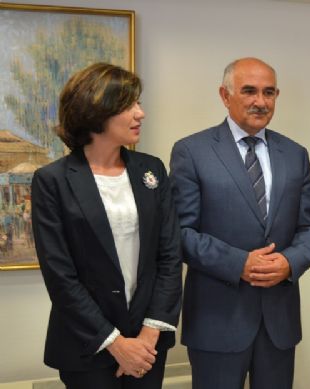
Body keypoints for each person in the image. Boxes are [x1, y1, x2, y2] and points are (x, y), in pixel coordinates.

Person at [169, 57, 310, 389]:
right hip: (217, 320)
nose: (260, 101)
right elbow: (180, 233)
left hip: (278, 324)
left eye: (269, 92)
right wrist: (239, 263)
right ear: (225, 96)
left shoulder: (295, 154)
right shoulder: (192, 151)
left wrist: (289, 261)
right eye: (249, 91)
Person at [31, 63, 183, 389]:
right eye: (129, 105)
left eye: (138, 103)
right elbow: (60, 276)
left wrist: (148, 334)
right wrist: (116, 344)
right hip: (87, 345)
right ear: (96, 110)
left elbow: (169, 256)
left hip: (148, 344)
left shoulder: (151, 170)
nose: (140, 113)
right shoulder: (52, 181)